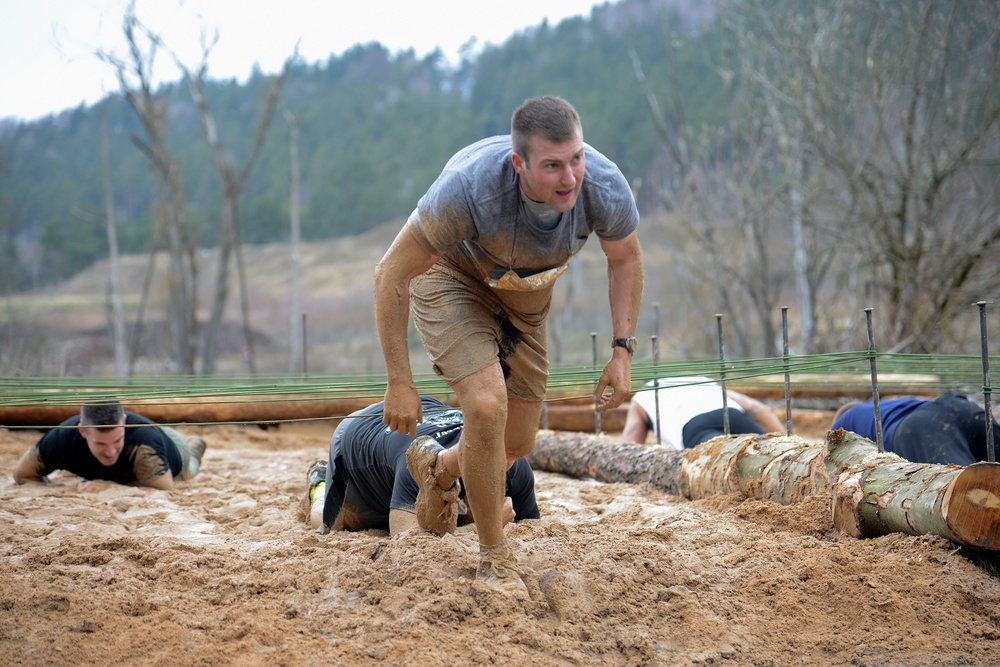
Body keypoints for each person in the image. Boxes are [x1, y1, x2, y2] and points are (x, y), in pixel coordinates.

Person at [373, 95, 643, 585]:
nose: (570, 178)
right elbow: (390, 273)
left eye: (577, 159)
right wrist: (399, 380)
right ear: (519, 164)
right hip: (451, 279)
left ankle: (437, 468)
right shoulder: (471, 189)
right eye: (553, 166)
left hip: (525, 299)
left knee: (514, 441)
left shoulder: (603, 187)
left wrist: (622, 351)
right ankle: (494, 559)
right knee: (484, 407)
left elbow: (625, 258)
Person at [298, 396, 540, 537]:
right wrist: (484, 527)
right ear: (467, 437)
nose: (505, 462)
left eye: (513, 453)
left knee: (449, 516)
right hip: (355, 441)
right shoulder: (418, 460)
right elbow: (408, 541)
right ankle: (319, 482)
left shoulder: (515, 466)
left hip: (423, 415)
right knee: (327, 525)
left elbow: (532, 528)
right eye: (498, 451)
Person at [12, 400, 207, 491]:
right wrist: (61, 490)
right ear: (82, 431)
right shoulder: (63, 438)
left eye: (116, 440)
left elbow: (162, 488)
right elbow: (22, 474)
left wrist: (108, 488)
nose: (111, 452)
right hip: (144, 443)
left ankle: (195, 447)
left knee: (190, 469)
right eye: (100, 443)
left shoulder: (144, 445)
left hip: (171, 445)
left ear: (123, 422)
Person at [831, 393, 999, 466]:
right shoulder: (886, 405)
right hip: (954, 405)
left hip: (919, 428)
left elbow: (829, 460)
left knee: (969, 489)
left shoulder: (844, 420)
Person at [622, 377, 784, 446]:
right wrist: (790, 443)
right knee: (772, 451)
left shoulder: (642, 397)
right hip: (732, 414)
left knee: (730, 457)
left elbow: (628, 449)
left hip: (693, 427)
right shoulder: (703, 382)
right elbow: (759, 410)